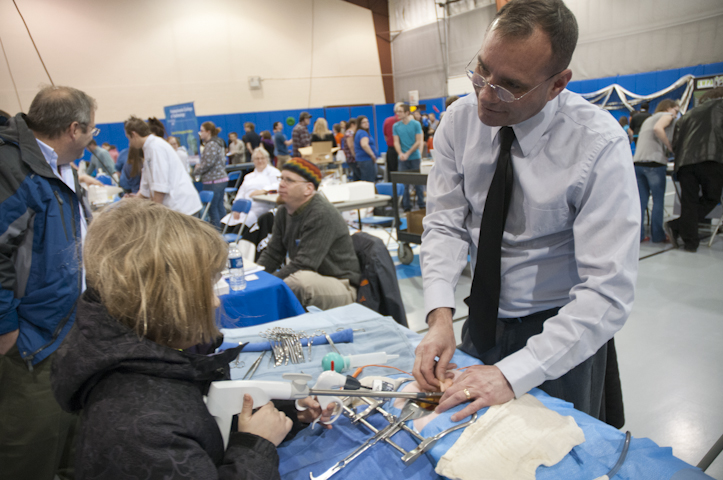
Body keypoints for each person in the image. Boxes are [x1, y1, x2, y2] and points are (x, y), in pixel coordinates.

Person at [414, 0, 640, 425]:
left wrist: (511, 373)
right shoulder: (458, 122)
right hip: (479, 324)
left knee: (552, 455)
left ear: (557, 84)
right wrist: (440, 316)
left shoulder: (596, 145)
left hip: (559, 336)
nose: (485, 93)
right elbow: (445, 224)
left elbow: (607, 291)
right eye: (482, 71)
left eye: (509, 85)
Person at [49, 198, 333, 479]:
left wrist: (280, 414)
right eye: (205, 288)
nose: (214, 302)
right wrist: (256, 446)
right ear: (162, 301)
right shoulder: (141, 427)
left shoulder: (153, 359)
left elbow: (198, 418)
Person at [0, 85, 97, 480]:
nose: (93, 140)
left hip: (65, 331)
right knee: (30, 451)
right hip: (30, 343)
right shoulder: (14, 168)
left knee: (71, 445)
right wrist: (6, 326)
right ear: (74, 129)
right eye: (92, 131)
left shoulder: (57, 165)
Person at [257, 158, 361, 310]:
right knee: (288, 281)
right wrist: (256, 278)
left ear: (308, 189)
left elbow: (304, 264)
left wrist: (267, 285)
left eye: (289, 180)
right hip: (314, 277)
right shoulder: (283, 212)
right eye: (281, 178)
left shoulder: (321, 214)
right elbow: (273, 253)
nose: (281, 184)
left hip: (341, 284)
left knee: (298, 283)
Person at [665, 87, 723, 252]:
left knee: (689, 202)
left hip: (684, 163)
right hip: (711, 159)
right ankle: (676, 226)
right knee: (711, 198)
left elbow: (675, 144)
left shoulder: (688, 114)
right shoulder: (721, 107)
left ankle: (690, 243)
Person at [124, 116, 202, 216]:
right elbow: (146, 185)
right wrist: (134, 200)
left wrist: (154, 215)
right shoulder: (148, 148)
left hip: (182, 207)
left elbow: (160, 187)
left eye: (128, 138)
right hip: (176, 208)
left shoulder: (156, 147)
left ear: (134, 135)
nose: (130, 144)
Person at [633, 99, 679, 243]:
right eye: (676, 111)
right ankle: (658, 236)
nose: (676, 114)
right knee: (658, 201)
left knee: (640, 202)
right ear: (668, 108)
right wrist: (671, 148)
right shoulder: (667, 116)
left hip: (638, 162)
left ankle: (639, 236)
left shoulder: (649, 119)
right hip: (654, 162)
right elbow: (658, 129)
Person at [224, 146, 281, 231]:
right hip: (243, 208)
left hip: (261, 207)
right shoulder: (248, 176)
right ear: (253, 160)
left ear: (267, 159)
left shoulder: (274, 172)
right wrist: (236, 208)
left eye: (262, 158)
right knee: (225, 224)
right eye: (257, 159)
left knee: (240, 228)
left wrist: (263, 190)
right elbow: (241, 192)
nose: (260, 161)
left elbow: (278, 185)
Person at [197, 121, 230, 229]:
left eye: (202, 131)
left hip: (213, 180)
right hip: (220, 179)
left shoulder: (211, 144)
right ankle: (224, 229)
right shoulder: (219, 142)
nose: (200, 133)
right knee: (219, 206)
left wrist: (196, 170)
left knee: (212, 208)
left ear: (208, 132)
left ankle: (217, 232)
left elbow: (208, 163)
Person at [393, 103, 425, 212]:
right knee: (404, 184)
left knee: (418, 183)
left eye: (400, 111)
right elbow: (396, 142)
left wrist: (408, 153)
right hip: (402, 159)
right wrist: (401, 153)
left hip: (414, 157)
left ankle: (421, 206)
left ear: (407, 112)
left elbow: (418, 141)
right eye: (397, 111)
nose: (398, 113)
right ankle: (406, 208)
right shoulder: (396, 126)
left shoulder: (416, 124)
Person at [353, 115, 378, 183]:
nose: (366, 123)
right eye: (363, 122)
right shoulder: (362, 133)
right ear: (359, 124)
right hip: (366, 160)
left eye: (367, 122)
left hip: (362, 160)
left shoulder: (359, 132)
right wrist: (372, 155)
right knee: (369, 180)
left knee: (365, 179)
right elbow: (364, 145)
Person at [383, 103, 403, 173]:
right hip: (404, 149)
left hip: (391, 149)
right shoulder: (406, 122)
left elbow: (386, 137)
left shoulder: (387, 120)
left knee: (392, 172)